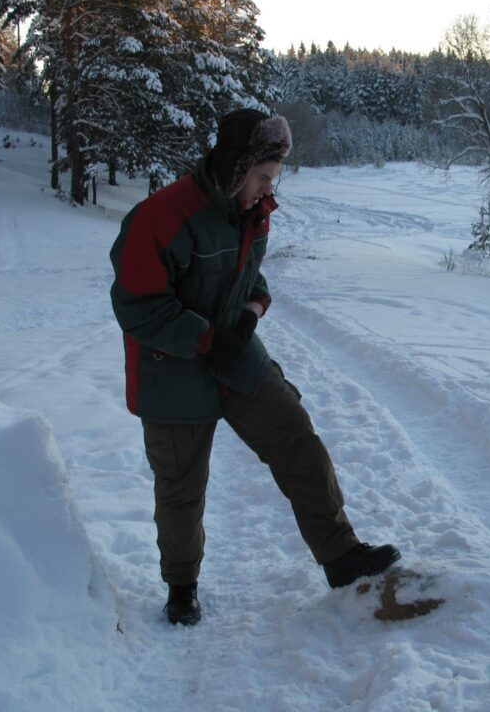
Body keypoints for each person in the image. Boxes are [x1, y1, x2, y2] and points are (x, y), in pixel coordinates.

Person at [109, 109, 400, 625]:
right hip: (171, 368)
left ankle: (341, 557)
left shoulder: (252, 210)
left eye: (274, 177)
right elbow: (137, 304)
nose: (269, 187)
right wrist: (203, 337)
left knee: (297, 439)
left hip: (233, 356)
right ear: (234, 166)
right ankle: (181, 588)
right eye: (263, 176)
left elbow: (251, 281)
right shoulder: (162, 216)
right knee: (181, 488)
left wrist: (250, 313)